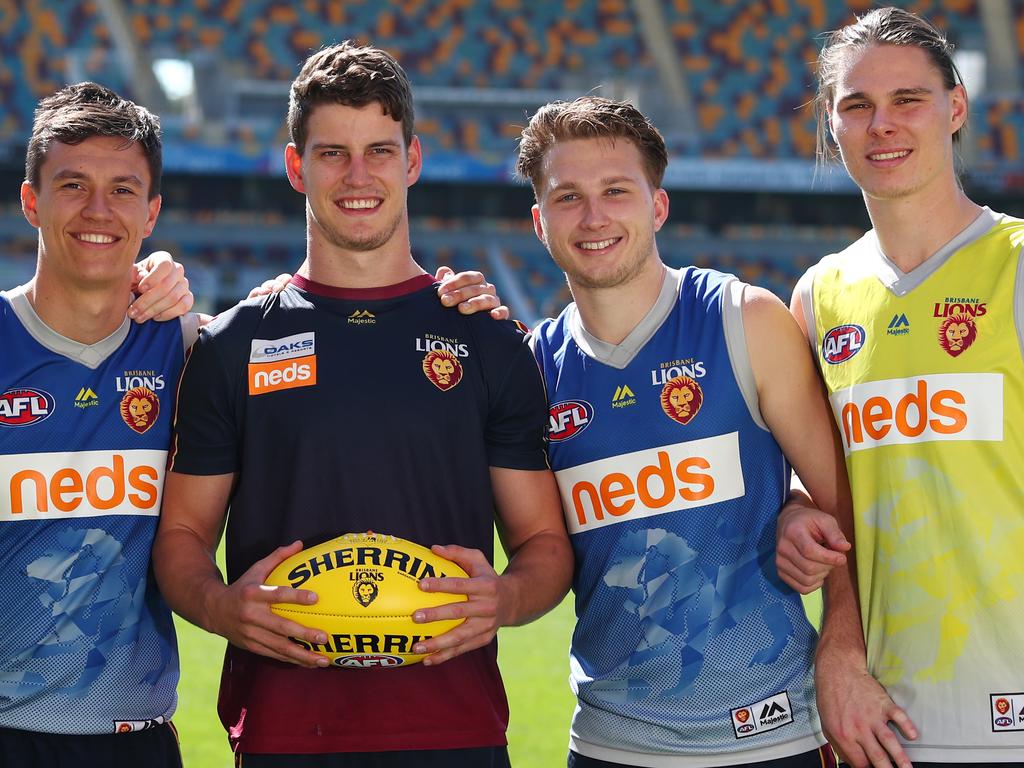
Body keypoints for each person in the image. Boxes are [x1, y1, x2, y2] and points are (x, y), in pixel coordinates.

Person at [151, 41, 573, 767]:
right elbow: (182, 536)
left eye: (379, 150)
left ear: (412, 160)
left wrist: (502, 600)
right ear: (295, 167)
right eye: (332, 154)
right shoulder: (234, 345)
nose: (358, 176)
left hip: (456, 732)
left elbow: (544, 547)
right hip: (286, 735)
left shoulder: (486, 340)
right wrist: (223, 608)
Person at [502, 96, 849, 768]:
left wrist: (840, 639)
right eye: (568, 197)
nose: (594, 216)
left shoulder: (744, 319)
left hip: (772, 733)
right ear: (540, 224)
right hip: (610, 744)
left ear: (657, 206)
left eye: (616, 191)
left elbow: (848, 503)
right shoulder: (531, 374)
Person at [776, 7, 1024, 767]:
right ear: (832, 126)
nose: (881, 124)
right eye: (857, 106)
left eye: (907, 100)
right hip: (876, 719)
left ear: (954, 108)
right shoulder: (818, 298)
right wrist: (793, 522)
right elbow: (821, 497)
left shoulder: (1015, 263)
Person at [0, 82, 198, 768]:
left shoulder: (189, 350)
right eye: (73, 184)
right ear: (32, 201)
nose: (98, 210)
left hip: (131, 741)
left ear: (151, 213)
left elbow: (296, 320)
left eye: (122, 190)